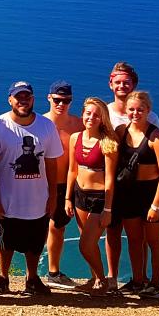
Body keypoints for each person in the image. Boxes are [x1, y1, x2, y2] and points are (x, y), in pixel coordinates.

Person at [0, 81, 63, 296]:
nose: (23, 101)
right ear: (10, 99)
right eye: (18, 97)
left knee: (36, 242)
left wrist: (53, 196)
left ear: (33, 99)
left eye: (26, 97)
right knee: (6, 241)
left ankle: (32, 279)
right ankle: (3, 278)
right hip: (9, 199)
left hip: (39, 199)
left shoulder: (47, 126)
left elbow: (51, 163)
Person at [105, 61, 159, 287]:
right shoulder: (105, 112)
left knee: (138, 235)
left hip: (140, 186)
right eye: (117, 82)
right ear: (111, 83)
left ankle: (140, 278)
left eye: (126, 82)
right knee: (112, 231)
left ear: (134, 85)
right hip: (112, 182)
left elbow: (158, 152)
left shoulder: (151, 118)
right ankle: (111, 276)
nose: (122, 86)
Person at [112, 91, 159, 298]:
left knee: (155, 241)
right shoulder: (122, 131)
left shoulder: (156, 137)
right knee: (134, 240)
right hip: (129, 194)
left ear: (148, 111)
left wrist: (156, 205)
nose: (135, 113)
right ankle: (138, 280)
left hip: (152, 194)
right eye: (131, 109)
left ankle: (155, 284)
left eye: (140, 109)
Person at [64, 97, 118, 294]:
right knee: (90, 244)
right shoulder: (75, 138)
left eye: (96, 115)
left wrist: (108, 209)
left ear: (103, 119)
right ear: (82, 114)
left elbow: (110, 179)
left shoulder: (108, 143)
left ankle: (103, 281)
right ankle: (94, 278)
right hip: (80, 195)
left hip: (99, 198)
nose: (91, 118)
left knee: (85, 245)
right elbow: (72, 170)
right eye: (88, 113)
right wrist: (68, 198)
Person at [43, 80, 83, 289]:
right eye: (57, 100)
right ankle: (36, 273)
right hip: (43, 184)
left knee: (59, 228)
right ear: (49, 98)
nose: (61, 104)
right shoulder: (39, 123)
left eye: (65, 101)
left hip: (73, 185)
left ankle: (53, 272)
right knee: (41, 227)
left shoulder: (79, 124)